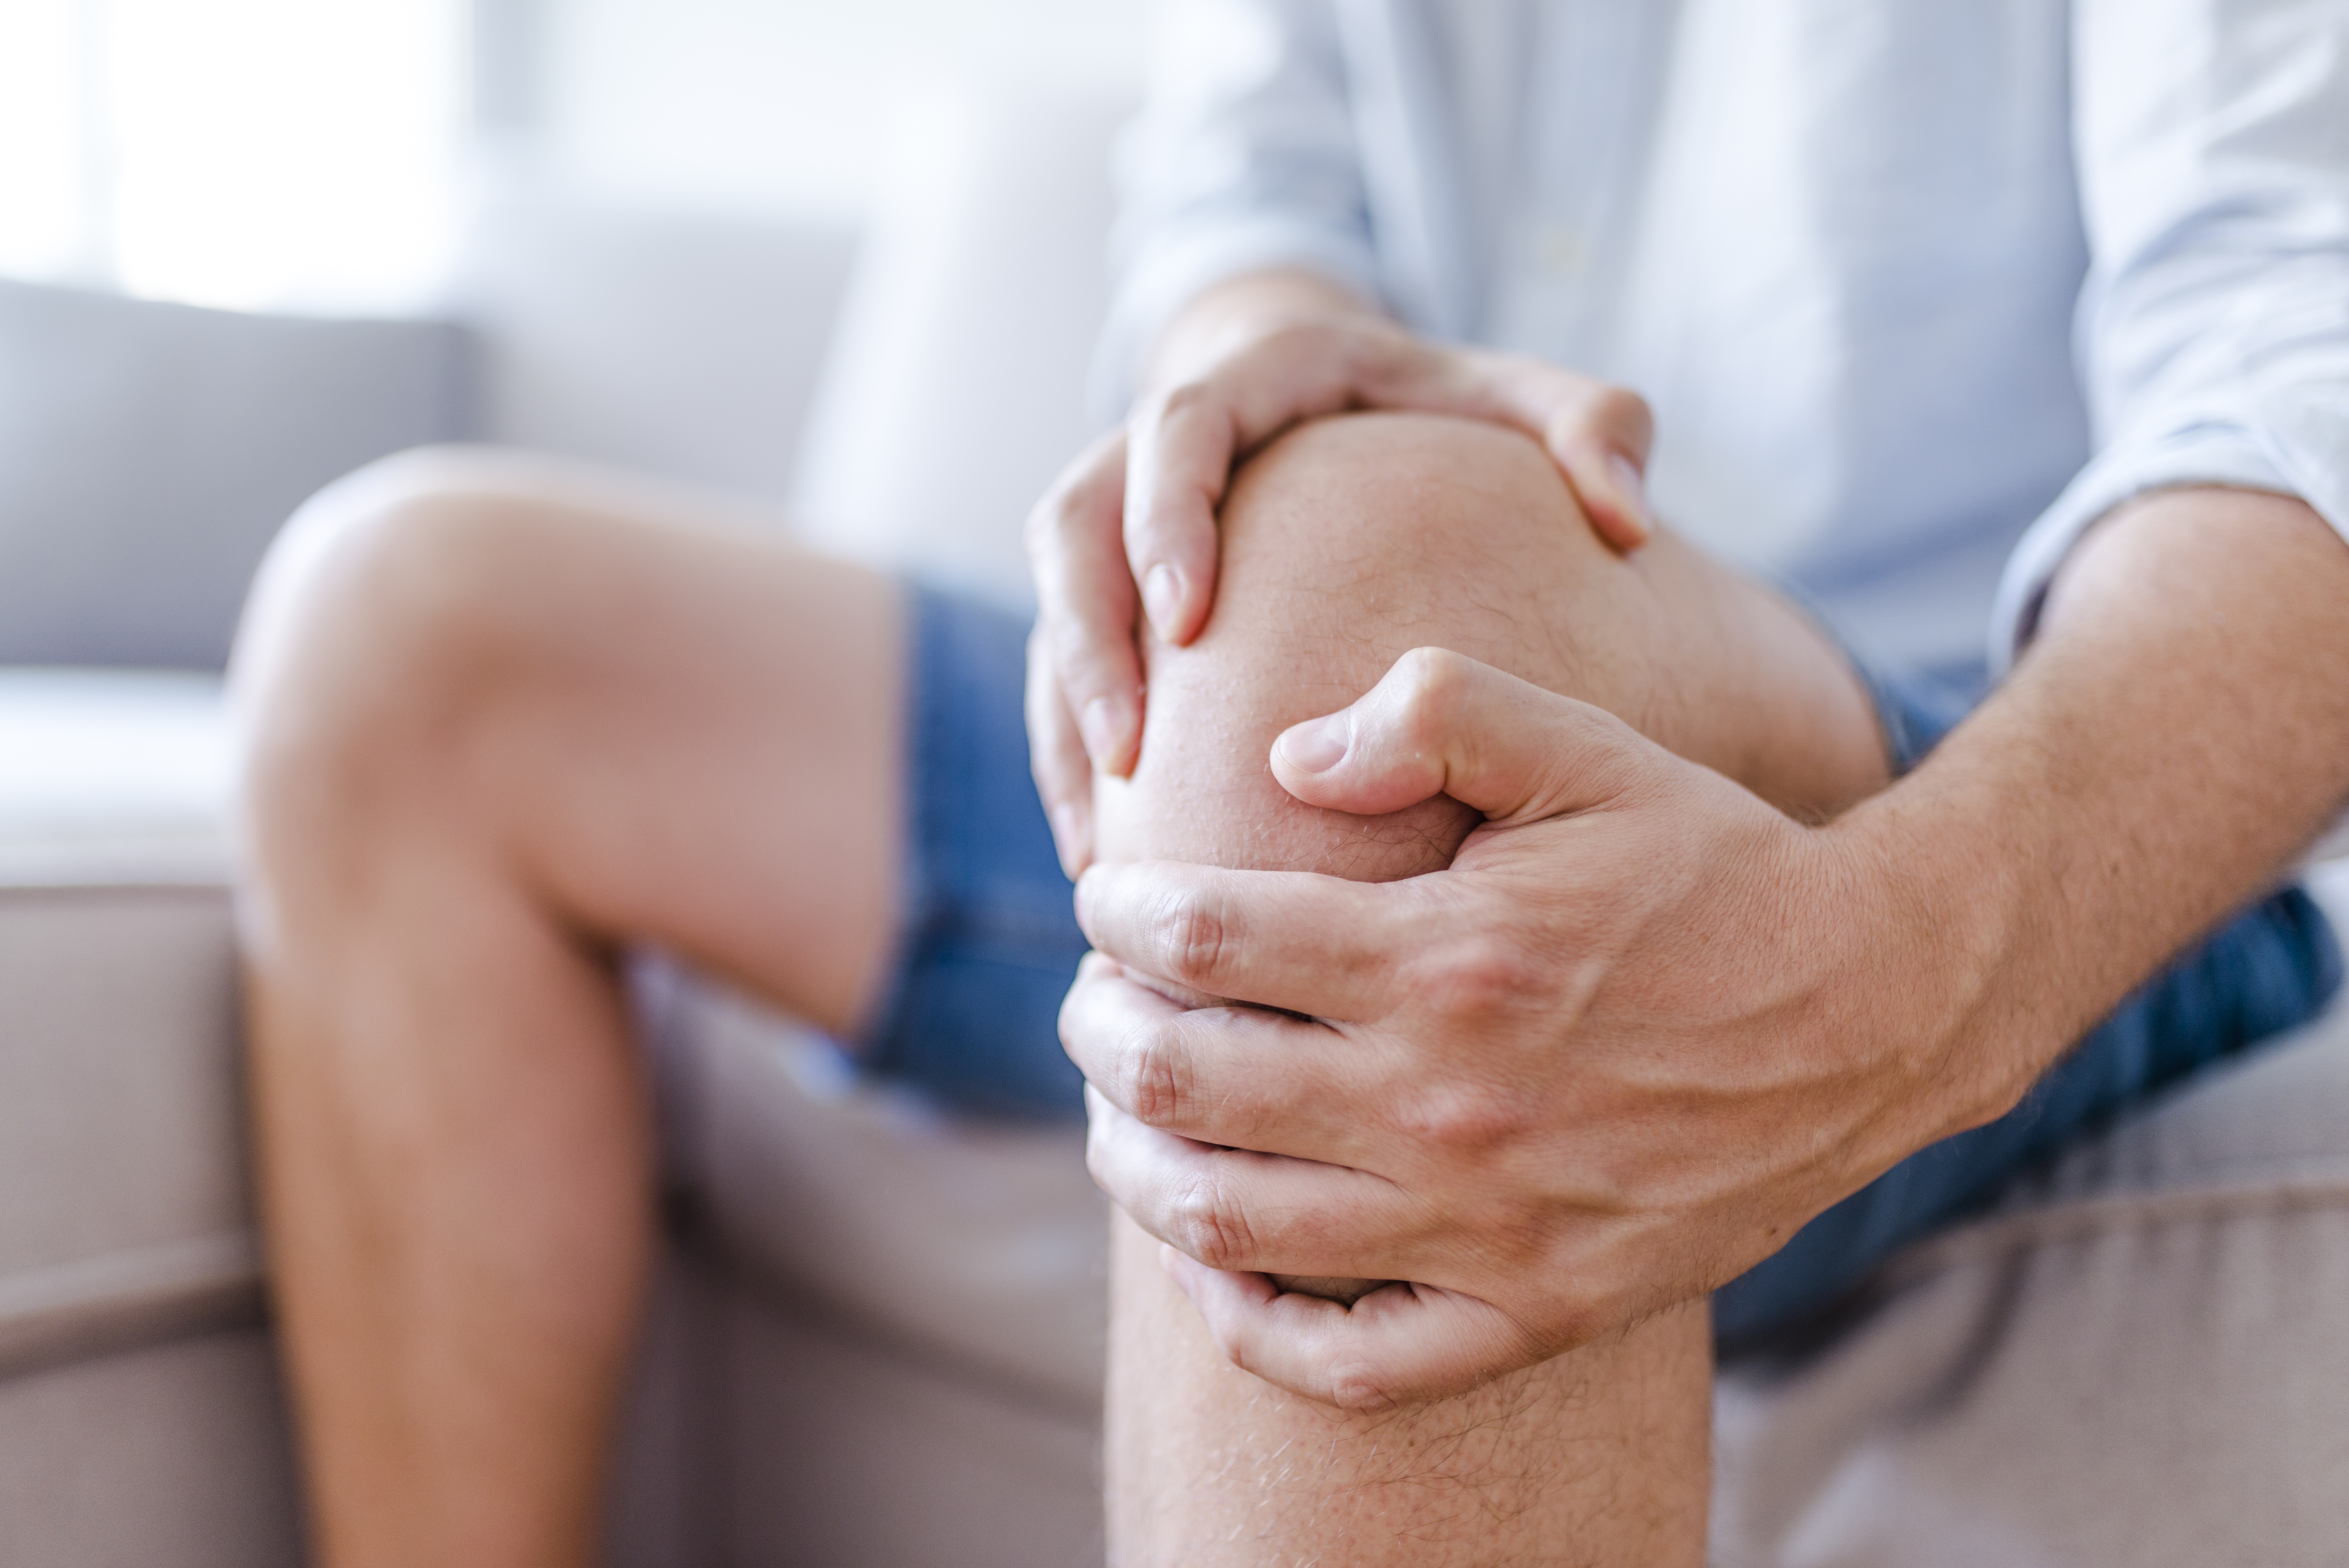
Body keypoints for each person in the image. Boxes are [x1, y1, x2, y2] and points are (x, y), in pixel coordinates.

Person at [228, 4, 2349, 1567]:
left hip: (2001, 773)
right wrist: (1253, 377)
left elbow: (2302, 387)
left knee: (1379, 653)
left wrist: (1904, 957)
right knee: (404, 631)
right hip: (1322, 687)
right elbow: (1243, 207)